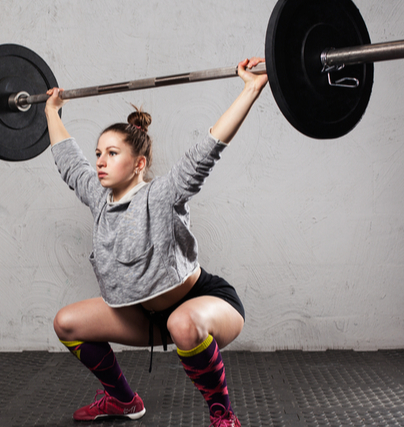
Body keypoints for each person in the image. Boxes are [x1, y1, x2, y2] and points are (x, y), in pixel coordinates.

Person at [44, 57, 268, 427]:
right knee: (66, 322)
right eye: (98, 153)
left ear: (138, 164)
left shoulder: (162, 194)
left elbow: (208, 150)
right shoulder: (99, 198)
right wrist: (52, 111)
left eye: (112, 154)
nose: (99, 161)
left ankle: (223, 416)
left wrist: (250, 88)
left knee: (183, 323)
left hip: (202, 307)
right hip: (143, 317)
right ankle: (122, 400)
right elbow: (69, 161)